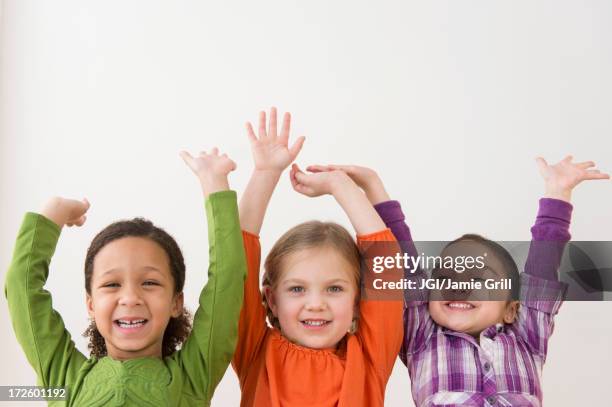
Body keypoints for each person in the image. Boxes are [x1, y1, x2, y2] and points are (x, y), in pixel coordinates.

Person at [308, 156, 609, 406]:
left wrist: (557, 193)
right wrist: (374, 188)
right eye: (446, 276)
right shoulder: (422, 335)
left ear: (511, 308)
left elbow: (543, 266)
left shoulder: (526, 335)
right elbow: (403, 263)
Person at [5, 148, 246, 406]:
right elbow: (22, 287)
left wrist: (214, 184)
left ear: (176, 303)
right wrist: (54, 212)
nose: (130, 298)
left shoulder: (192, 376)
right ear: (91, 305)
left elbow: (227, 281)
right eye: (111, 284)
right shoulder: (65, 381)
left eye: (150, 282)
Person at [231, 108, 403, 406]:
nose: (316, 304)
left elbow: (385, 263)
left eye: (334, 288)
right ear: (272, 299)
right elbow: (235, 265)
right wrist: (265, 173)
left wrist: (342, 186)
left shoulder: (369, 358)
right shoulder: (256, 351)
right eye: (297, 289)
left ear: (357, 301)